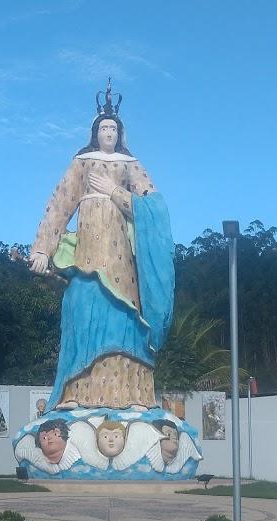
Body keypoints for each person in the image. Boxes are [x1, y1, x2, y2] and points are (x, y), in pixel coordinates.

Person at [28, 81, 173, 412]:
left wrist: (114, 192)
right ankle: (75, 392)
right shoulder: (82, 162)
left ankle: (133, 395)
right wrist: (42, 249)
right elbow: (60, 204)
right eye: (104, 128)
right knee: (81, 309)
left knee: (125, 316)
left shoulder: (129, 164)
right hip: (87, 254)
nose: (109, 133)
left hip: (121, 260)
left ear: (120, 134)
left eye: (113, 128)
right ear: (95, 133)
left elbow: (156, 207)